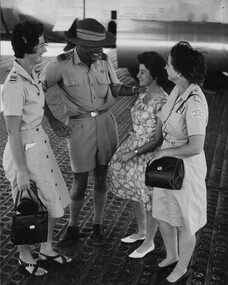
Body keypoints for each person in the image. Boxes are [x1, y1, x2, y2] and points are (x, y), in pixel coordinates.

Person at [42, 18, 145, 247]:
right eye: (93, 47)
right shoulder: (60, 65)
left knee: (101, 176)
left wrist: (139, 89)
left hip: (106, 123)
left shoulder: (104, 62)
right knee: (80, 181)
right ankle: (73, 225)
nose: (99, 51)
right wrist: (51, 119)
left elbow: (115, 88)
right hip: (78, 127)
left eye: (100, 46)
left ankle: (97, 224)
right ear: (79, 44)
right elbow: (37, 92)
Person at [2, 21, 72, 276]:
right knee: (28, 206)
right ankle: (23, 255)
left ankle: (47, 248)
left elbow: (39, 107)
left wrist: (52, 122)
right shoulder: (13, 84)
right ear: (27, 47)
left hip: (40, 146)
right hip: (25, 154)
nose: (44, 48)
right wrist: (21, 171)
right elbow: (11, 131)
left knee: (50, 200)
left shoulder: (31, 74)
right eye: (41, 43)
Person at [149, 41, 208, 285]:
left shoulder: (195, 102)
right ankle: (172, 255)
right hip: (168, 160)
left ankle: (182, 267)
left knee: (185, 221)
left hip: (186, 167)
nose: (166, 66)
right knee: (162, 213)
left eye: (170, 63)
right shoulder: (176, 90)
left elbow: (196, 146)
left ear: (180, 71)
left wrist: (164, 153)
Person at [108, 51, 168, 258]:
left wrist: (132, 153)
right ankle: (141, 231)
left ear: (156, 75)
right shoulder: (143, 94)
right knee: (134, 192)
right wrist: (126, 146)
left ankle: (150, 241)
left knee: (149, 198)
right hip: (133, 145)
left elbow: (157, 140)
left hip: (148, 154)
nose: (138, 75)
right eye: (139, 71)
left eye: (143, 72)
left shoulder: (163, 101)